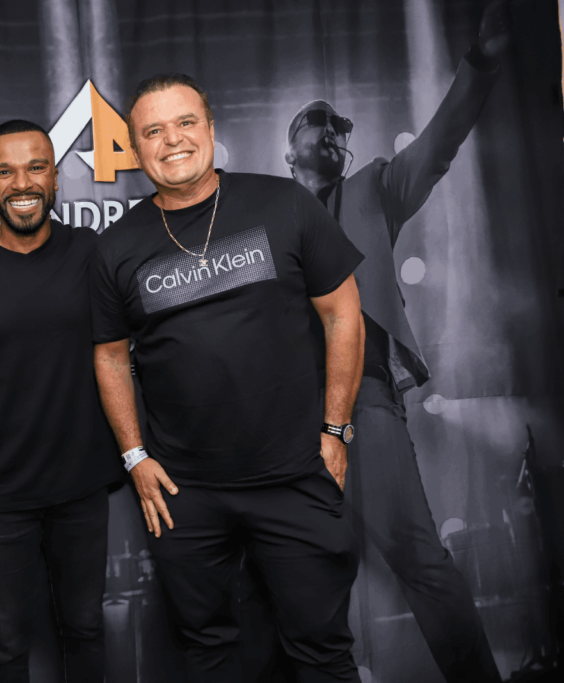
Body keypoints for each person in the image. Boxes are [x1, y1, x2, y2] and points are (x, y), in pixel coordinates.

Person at [90, 74, 366, 682]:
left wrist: (336, 431)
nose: (172, 140)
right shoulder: (116, 247)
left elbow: (343, 313)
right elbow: (109, 356)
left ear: (211, 130)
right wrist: (135, 457)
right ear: (134, 150)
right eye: (153, 131)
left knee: (322, 650)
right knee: (208, 651)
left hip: (295, 473)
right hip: (185, 493)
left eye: (186, 122)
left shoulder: (283, 203)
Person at [281, 3, 511, 681]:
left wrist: (481, 62)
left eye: (337, 128)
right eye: (316, 123)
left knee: (417, 556)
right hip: (289, 417)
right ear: (289, 150)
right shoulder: (267, 215)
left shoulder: (373, 188)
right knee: (302, 575)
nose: (330, 133)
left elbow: (437, 145)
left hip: (365, 399)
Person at [0, 120, 120, 681]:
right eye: (5, 171)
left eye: (36, 167)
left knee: (85, 631)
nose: (22, 183)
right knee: (2, 647)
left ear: (56, 177)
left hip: (81, 485)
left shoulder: (91, 251)